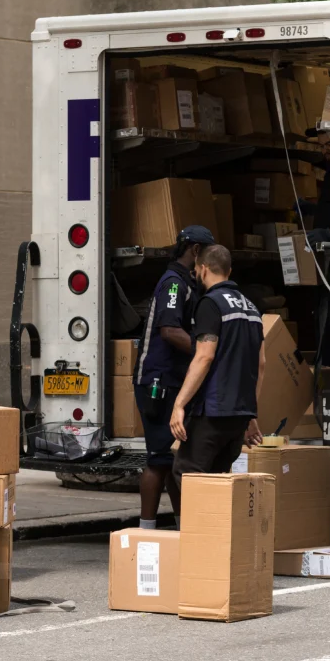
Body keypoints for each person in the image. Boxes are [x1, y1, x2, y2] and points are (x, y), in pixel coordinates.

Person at [133, 224, 215, 528]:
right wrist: (204, 351)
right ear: (195, 251)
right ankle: (146, 529)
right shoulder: (173, 284)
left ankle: (183, 527)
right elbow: (169, 331)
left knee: (173, 460)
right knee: (158, 459)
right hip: (158, 383)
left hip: (171, 382)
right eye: (206, 253)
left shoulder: (186, 283)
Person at [170, 244, 265, 477]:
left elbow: (204, 356)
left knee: (187, 473)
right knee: (218, 477)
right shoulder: (252, 308)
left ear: (202, 269)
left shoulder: (211, 304)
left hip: (214, 410)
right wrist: (251, 414)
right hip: (239, 414)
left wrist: (179, 404)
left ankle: (195, 516)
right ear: (229, 271)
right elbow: (261, 363)